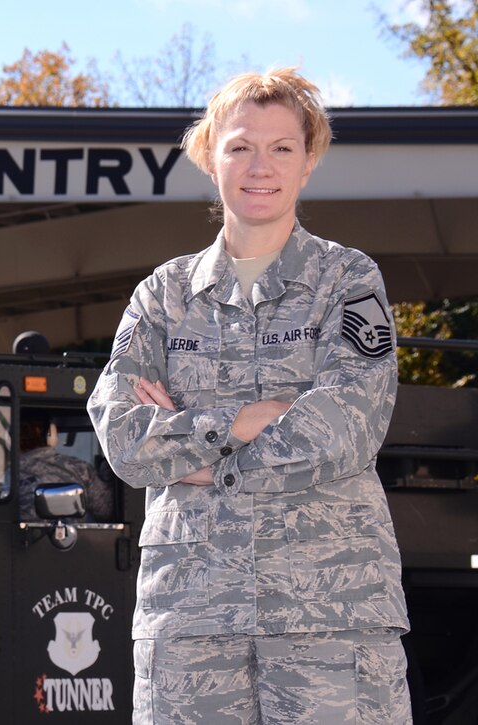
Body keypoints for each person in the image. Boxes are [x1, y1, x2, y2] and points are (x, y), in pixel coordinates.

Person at [88, 68, 412, 724]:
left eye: (281, 148)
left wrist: (196, 449)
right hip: (190, 619)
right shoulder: (163, 295)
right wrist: (246, 420)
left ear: (308, 161)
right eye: (239, 146)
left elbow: (346, 425)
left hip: (329, 615)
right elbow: (122, 433)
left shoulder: (347, 280)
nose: (259, 166)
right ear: (211, 157)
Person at [19, 408, 113, 522]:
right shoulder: (81, 469)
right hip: (81, 538)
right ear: (50, 433)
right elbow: (105, 510)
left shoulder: (10, 473)